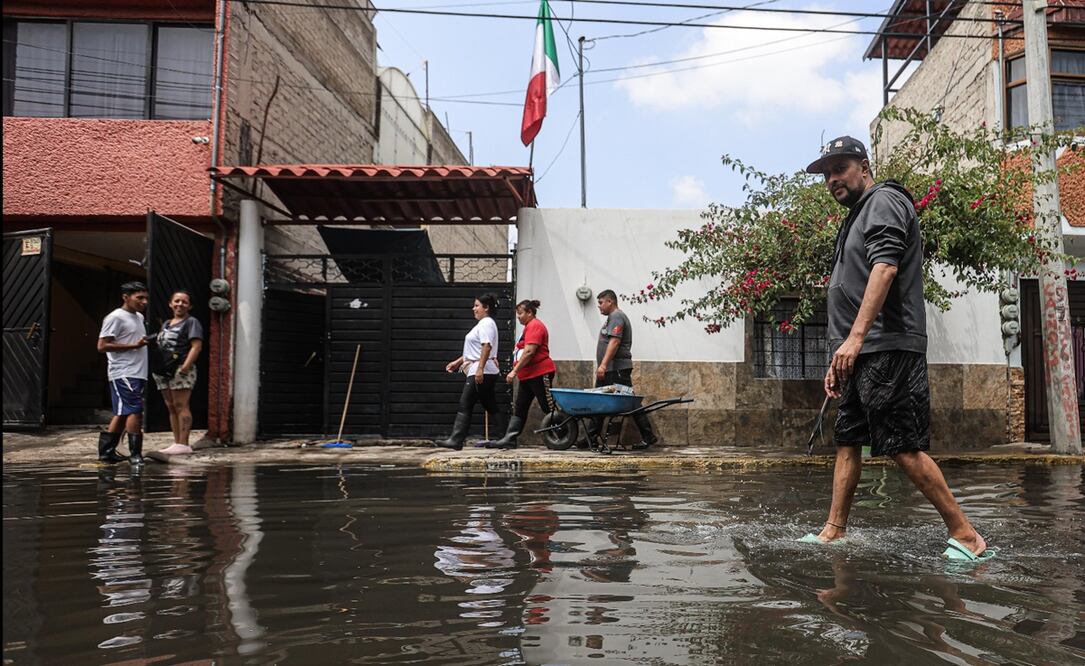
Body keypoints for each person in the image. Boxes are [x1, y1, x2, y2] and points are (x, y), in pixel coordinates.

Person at [802, 135, 992, 561]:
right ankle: (834, 530)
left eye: (841, 168)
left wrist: (854, 339)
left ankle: (966, 535)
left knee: (901, 444)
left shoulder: (884, 200)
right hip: (858, 349)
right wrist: (841, 351)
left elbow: (885, 268)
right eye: (827, 173)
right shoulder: (855, 216)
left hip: (885, 344)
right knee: (848, 440)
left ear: (864, 167)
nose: (833, 178)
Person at [435, 294, 504, 450]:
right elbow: (476, 349)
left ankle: (456, 440)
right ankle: (506, 438)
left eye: (477, 305)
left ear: (486, 308)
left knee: (465, 404)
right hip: (484, 369)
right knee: (490, 404)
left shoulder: (486, 323)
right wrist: (458, 362)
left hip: (482, 371)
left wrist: (479, 369)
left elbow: (486, 346)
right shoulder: (483, 324)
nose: (474, 309)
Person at [485, 299, 557, 449]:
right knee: (521, 407)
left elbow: (530, 351)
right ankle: (510, 439)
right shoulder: (528, 327)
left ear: (529, 313)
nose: (518, 317)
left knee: (548, 407)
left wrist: (514, 371)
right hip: (528, 375)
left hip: (539, 372)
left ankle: (562, 435)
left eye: (520, 313)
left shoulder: (535, 326)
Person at [589, 290, 656, 450]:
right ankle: (591, 436)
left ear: (610, 302)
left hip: (615, 369)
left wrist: (603, 365)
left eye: (601, 303)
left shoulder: (616, 317)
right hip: (613, 369)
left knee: (628, 403)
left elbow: (614, 342)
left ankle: (648, 436)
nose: (599, 307)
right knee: (599, 401)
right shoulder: (612, 318)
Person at [96, 281, 150, 466]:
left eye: (145, 298)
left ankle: (107, 452)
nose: (144, 302)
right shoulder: (115, 317)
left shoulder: (139, 317)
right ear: (125, 297)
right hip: (124, 371)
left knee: (122, 412)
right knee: (135, 409)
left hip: (138, 371)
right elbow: (102, 346)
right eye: (139, 298)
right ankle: (136, 454)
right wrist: (134, 346)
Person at [151, 290, 204, 456]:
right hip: (164, 370)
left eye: (184, 302)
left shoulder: (191, 322)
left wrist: (186, 367)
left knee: (181, 405)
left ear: (190, 306)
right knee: (171, 406)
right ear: (170, 303)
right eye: (177, 301)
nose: (180, 304)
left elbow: (196, 346)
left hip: (180, 368)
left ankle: (184, 443)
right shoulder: (166, 323)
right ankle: (177, 442)